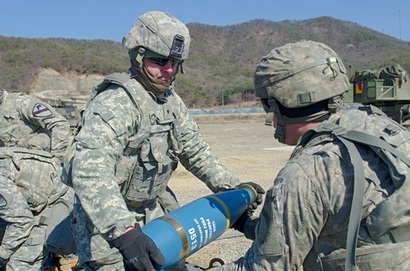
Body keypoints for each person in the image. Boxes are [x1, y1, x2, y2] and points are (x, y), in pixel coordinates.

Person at [64, 10, 264, 271]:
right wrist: (125, 235)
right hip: (106, 225)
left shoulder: (170, 102)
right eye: (159, 61)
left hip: (153, 215)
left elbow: (196, 152)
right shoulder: (116, 102)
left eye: (175, 62)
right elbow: (90, 171)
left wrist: (233, 190)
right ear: (138, 56)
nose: (169, 70)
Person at [209, 40, 410, 271]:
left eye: (268, 104)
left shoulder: (305, 175)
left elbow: (264, 267)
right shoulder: (383, 129)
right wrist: (248, 225)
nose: (270, 117)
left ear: (283, 102)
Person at [0, 147, 75, 271]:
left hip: (56, 200)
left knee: (20, 262)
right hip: (30, 203)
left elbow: (23, 221)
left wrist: (3, 254)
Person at [0, 89, 71, 161]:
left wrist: (57, 158)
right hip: (12, 165)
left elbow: (60, 123)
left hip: (40, 162)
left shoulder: (22, 103)